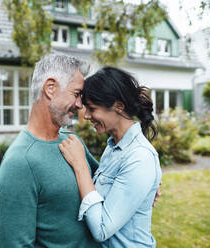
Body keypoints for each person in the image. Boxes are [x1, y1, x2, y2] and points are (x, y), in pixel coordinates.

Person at [0, 54, 101, 247]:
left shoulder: (72, 141)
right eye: (76, 94)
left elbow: (107, 180)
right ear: (50, 88)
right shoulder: (20, 163)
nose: (79, 105)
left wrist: (141, 179)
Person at [59, 66, 162, 248]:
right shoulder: (114, 148)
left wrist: (80, 164)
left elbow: (102, 229)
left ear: (119, 106)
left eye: (92, 109)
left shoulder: (139, 157)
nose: (87, 116)